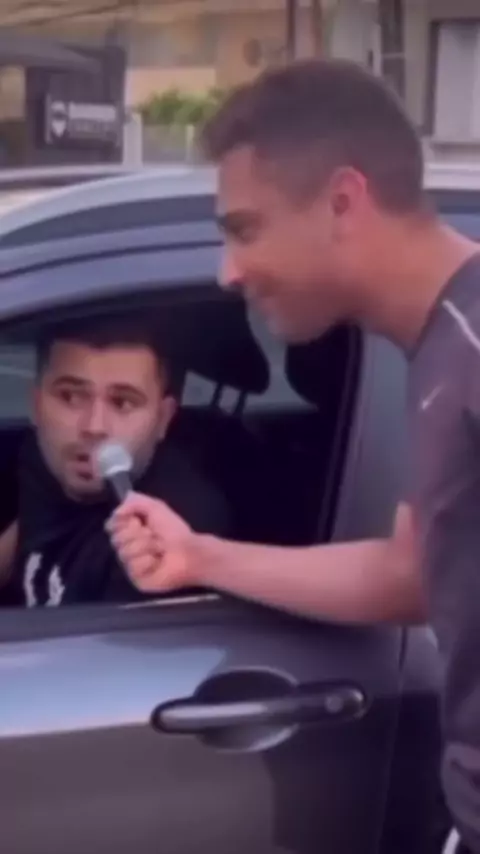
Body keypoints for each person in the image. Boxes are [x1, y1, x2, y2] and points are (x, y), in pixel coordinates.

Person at [106, 59, 480, 853]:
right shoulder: (441, 352)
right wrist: (199, 556)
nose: (228, 271)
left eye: (245, 228)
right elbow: (411, 571)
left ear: (342, 201)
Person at [0, 315, 231, 607]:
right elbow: (32, 528)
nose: (94, 427)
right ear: (37, 406)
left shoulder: (166, 536)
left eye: (123, 402)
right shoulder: (42, 457)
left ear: (163, 419)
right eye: (70, 397)